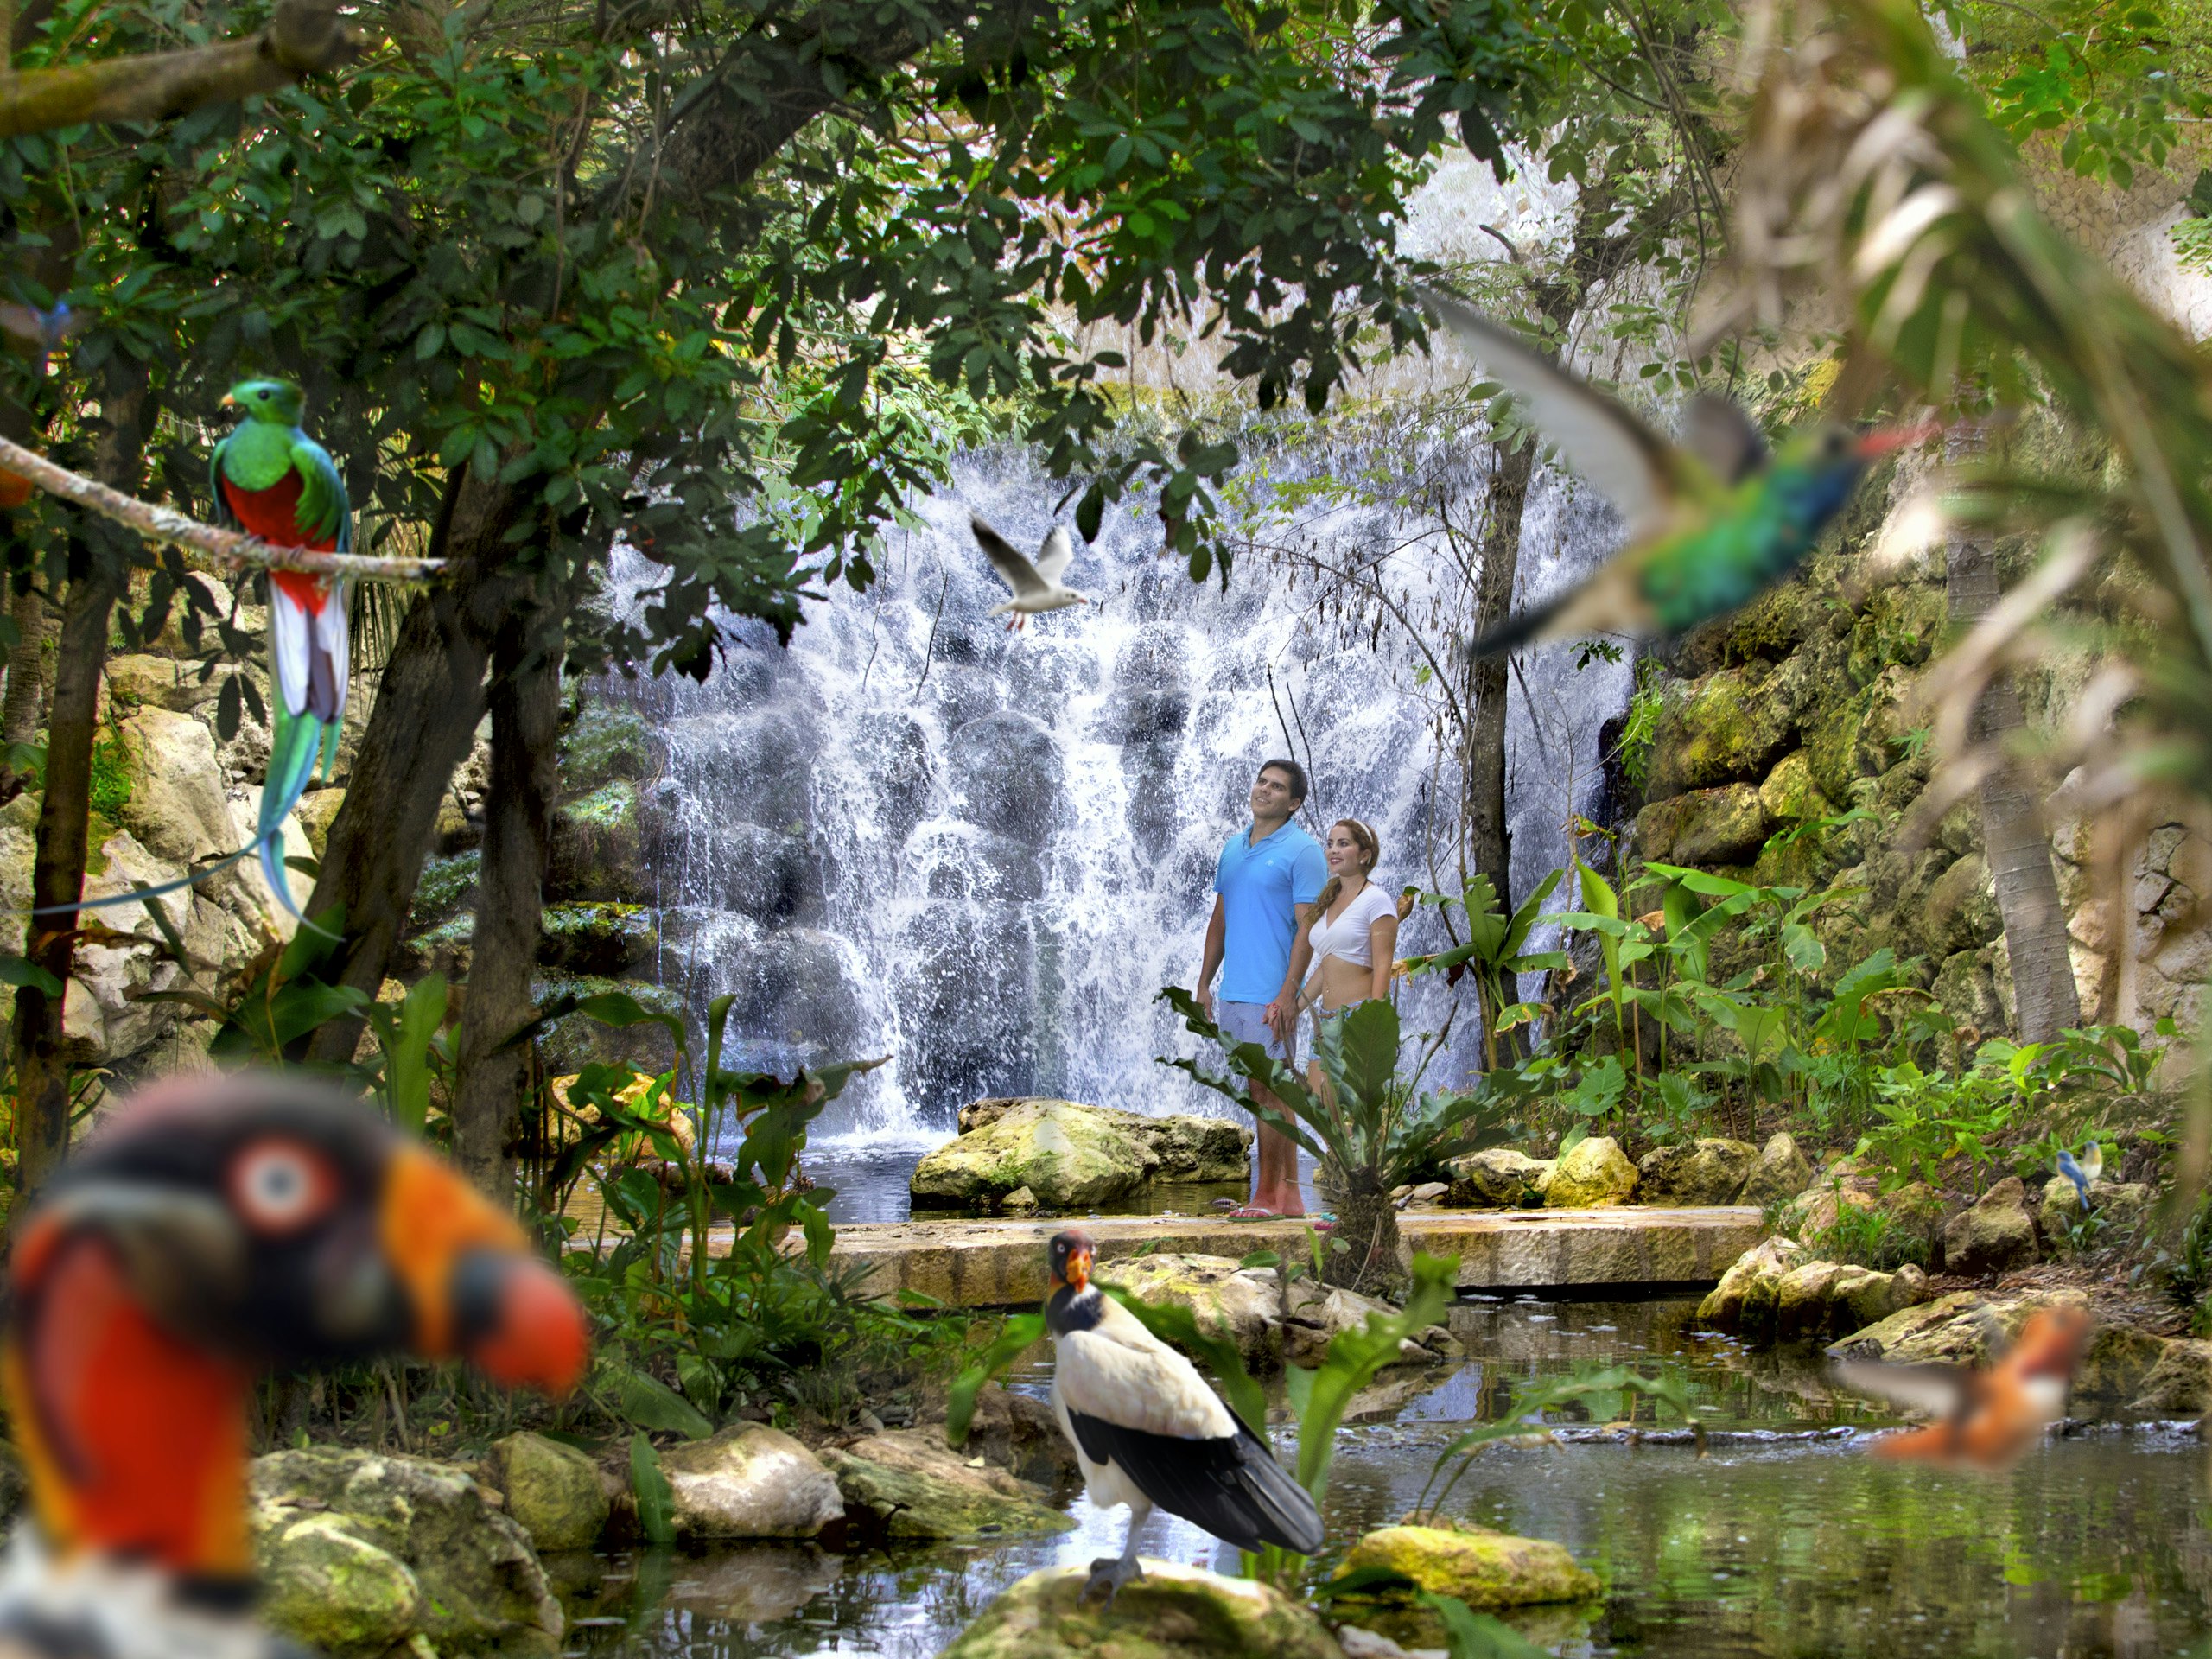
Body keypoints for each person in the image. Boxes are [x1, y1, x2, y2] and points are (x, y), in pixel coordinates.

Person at [1195, 759, 1325, 1217]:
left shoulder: (1303, 851)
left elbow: (1309, 928)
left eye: (1277, 787)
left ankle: (1268, 1196)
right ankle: (1289, 1198)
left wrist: (1289, 994)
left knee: (1270, 1092)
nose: (1264, 790)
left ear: (1294, 803)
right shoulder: (1233, 847)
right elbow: (1220, 920)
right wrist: (1204, 984)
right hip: (1234, 991)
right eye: (1261, 781)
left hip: (1271, 993)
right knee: (1265, 1091)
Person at [1293, 819, 1399, 1090]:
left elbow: (1383, 966)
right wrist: (1295, 1008)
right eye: (1330, 844)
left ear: (1365, 855)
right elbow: (1326, 967)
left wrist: (1375, 1026)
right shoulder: (1328, 900)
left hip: (1359, 1017)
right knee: (1321, 1106)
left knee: (1353, 1110)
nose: (1333, 850)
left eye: (1343, 844)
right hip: (1326, 1019)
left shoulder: (1376, 900)